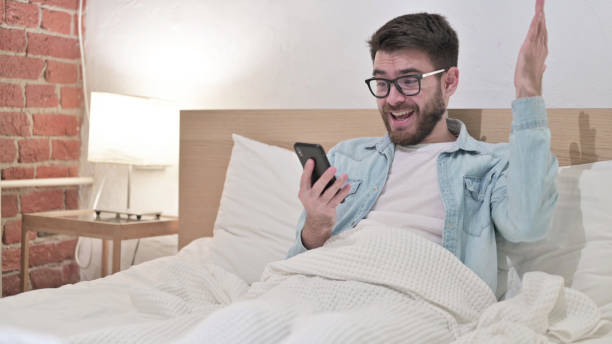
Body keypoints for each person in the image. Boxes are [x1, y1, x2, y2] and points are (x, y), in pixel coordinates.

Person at [288, 0, 558, 297]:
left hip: (418, 298)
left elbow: (529, 225)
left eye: (408, 81)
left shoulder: (490, 164)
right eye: (382, 83)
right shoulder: (347, 158)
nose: (392, 99)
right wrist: (316, 226)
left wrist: (528, 91)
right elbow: (293, 268)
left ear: (450, 81)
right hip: (327, 285)